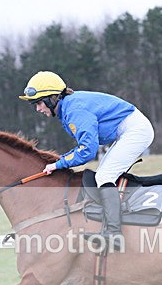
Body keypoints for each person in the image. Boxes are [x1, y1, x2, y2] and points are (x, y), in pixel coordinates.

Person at [19, 71, 155, 250]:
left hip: (135, 130)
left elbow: (87, 151)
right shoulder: (68, 108)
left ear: (53, 98)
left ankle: (114, 234)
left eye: (39, 103)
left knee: (104, 176)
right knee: (105, 173)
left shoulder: (74, 110)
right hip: (127, 129)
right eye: (34, 105)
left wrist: (58, 163)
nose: (38, 109)